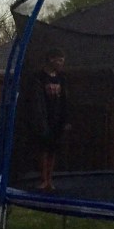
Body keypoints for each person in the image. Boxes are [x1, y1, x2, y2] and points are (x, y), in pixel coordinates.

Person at [32, 47, 69, 190]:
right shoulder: (40, 78)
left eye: (62, 61)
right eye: (59, 61)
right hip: (43, 119)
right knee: (44, 150)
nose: (61, 64)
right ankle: (43, 179)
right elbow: (37, 101)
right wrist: (40, 121)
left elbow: (65, 100)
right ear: (51, 59)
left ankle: (49, 179)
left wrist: (65, 120)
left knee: (53, 150)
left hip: (56, 119)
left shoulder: (61, 78)